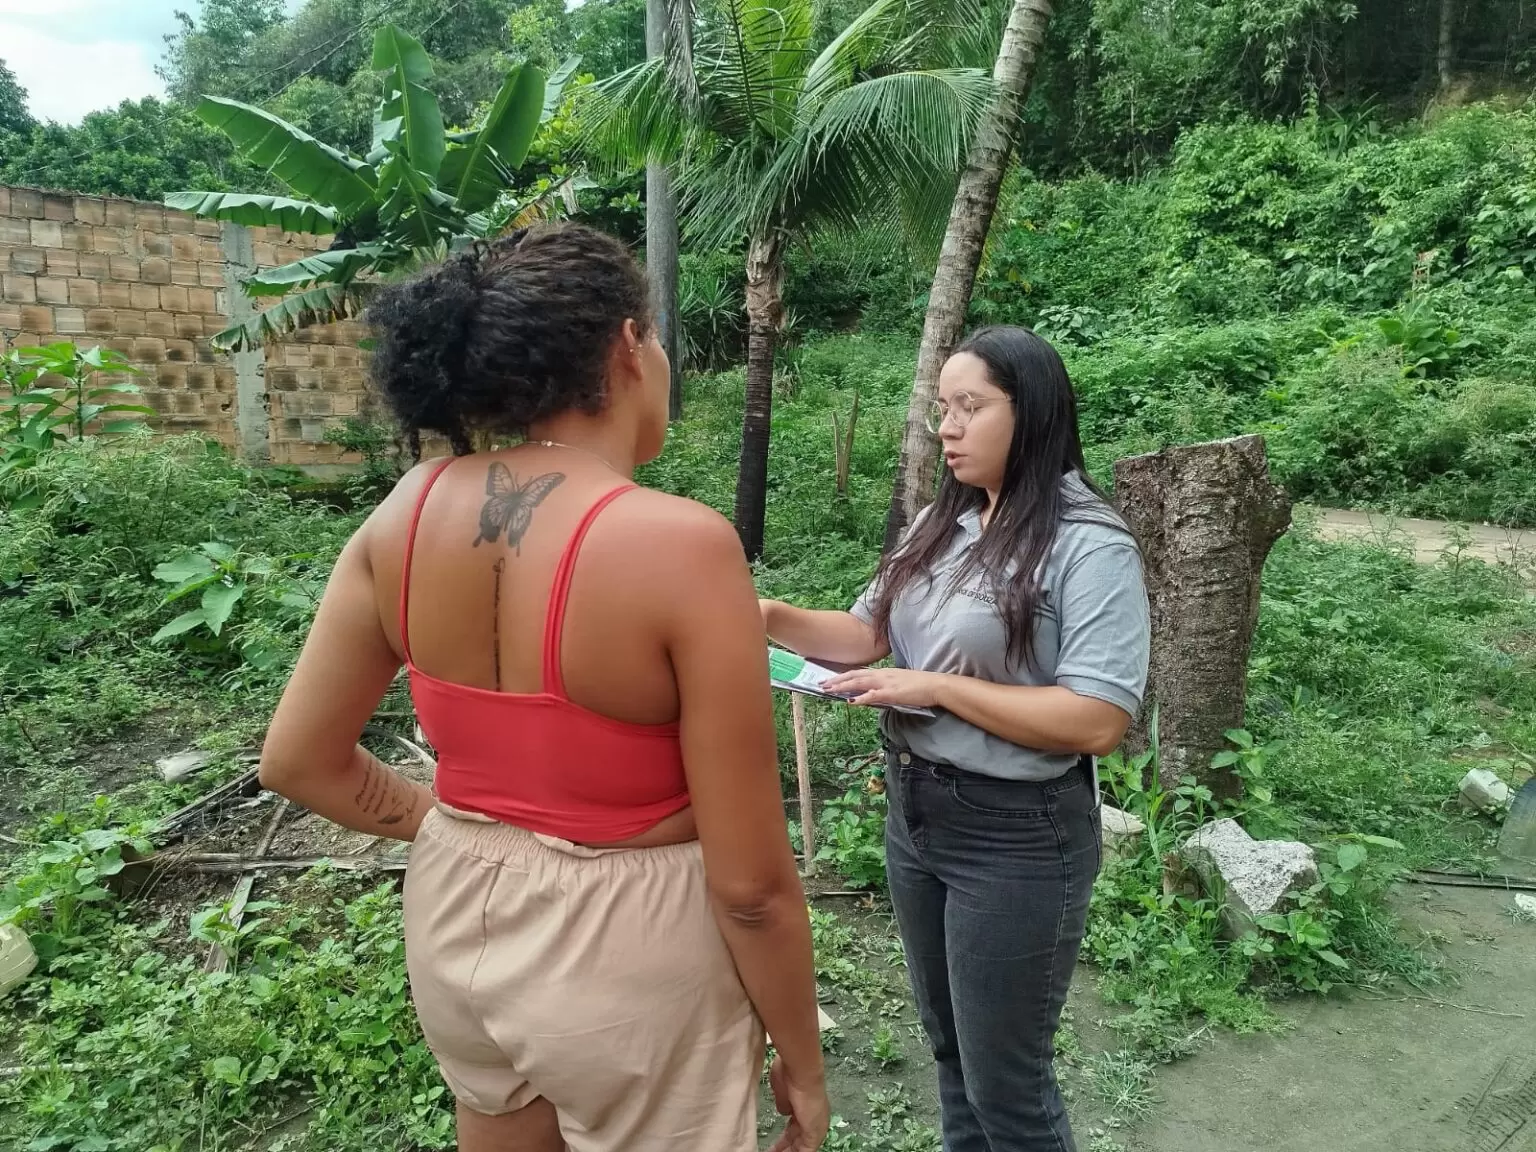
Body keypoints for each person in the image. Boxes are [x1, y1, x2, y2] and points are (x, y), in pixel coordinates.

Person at [259, 223, 828, 1152]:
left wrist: (465, 833)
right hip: (628, 955)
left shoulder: (406, 510)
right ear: (630, 346)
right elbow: (752, 887)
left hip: (454, 920)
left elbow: (297, 761)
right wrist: (803, 1062)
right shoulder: (679, 546)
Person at [761, 325, 1149, 1152]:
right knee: (950, 1054)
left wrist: (935, 687)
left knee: (1008, 1089)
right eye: (944, 407)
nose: (948, 428)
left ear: (1032, 411)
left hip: (1017, 833)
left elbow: (1098, 720)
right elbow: (864, 633)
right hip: (918, 813)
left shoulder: (1089, 542)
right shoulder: (947, 517)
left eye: (971, 407)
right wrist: (765, 614)